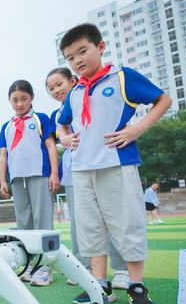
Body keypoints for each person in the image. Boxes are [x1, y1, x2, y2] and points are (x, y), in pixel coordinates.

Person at [57, 23, 172, 304]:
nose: (78, 60)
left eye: (82, 51)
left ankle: (136, 286)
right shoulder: (75, 91)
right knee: (90, 227)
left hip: (116, 163)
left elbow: (163, 99)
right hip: (82, 169)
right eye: (71, 57)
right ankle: (99, 284)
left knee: (127, 223)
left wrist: (137, 129)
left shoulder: (121, 77)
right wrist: (64, 137)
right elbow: (63, 122)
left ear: (100, 46)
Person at [46, 68, 131, 290]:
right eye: (51, 88)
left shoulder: (93, 99)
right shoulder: (59, 116)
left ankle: (121, 268)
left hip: (101, 165)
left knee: (110, 219)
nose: (56, 91)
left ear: (73, 81)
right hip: (74, 172)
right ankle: (83, 267)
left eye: (59, 84)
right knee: (80, 223)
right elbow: (61, 136)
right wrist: (64, 139)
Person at [0, 79, 60, 287]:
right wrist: (3, 179)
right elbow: (4, 155)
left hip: (40, 174)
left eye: (23, 99)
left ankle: (46, 267)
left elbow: (51, 146)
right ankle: (30, 264)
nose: (19, 104)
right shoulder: (7, 126)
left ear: (32, 97)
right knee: (23, 223)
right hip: (17, 178)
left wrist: (54, 174)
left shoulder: (40, 119)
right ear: (9, 100)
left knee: (43, 220)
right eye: (15, 100)